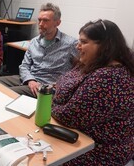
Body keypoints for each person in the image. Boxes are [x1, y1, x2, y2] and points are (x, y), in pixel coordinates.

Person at [52, 19, 134, 165]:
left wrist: (50, 102)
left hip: (100, 151)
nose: (77, 46)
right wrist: (58, 97)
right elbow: (61, 85)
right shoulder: (92, 63)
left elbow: (69, 117)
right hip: (80, 136)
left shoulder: (109, 78)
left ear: (104, 46)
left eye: (83, 42)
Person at [0, 3, 78, 98]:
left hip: (46, 86)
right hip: (29, 79)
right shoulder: (34, 42)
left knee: (3, 93)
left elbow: (82, 70)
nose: (41, 24)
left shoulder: (71, 44)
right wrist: (30, 80)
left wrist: (64, 83)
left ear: (57, 23)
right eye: (39, 20)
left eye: (46, 20)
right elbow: (24, 66)